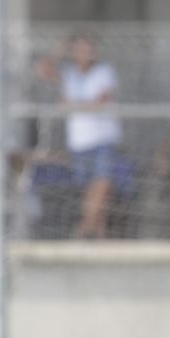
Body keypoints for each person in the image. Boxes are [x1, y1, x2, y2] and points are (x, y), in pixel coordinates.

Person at [58, 32, 121, 239]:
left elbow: (100, 101)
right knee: (88, 191)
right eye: (80, 49)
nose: (86, 54)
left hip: (103, 138)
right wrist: (58, 51)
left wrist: (74, 105)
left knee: (102, 185)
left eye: (89, 49)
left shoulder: (104, 72)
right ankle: (98, 236)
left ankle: (84, 230)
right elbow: (43, 70)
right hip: (79, 141)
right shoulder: (69, 74)